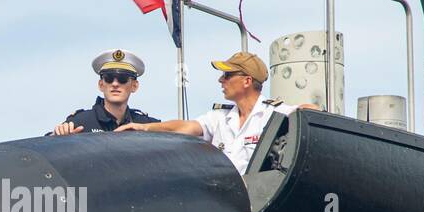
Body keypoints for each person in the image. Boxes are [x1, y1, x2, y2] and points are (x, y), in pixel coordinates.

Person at [115, 51, 317, 173]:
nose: (221, 80)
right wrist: (144, 127)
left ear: (247, 81)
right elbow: (186, 127)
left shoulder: (273, 114)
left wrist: (305, 111)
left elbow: (311, 114)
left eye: (227, 75)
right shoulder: (219, 118)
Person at [50, 49, 158, 135]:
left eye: (122, 78)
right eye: (109, 78)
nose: (115, 84)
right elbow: (46, 148)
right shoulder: (80, 122)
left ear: (134, 86)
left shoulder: (144, 123)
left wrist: (145, 127)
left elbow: (175, 129)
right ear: (101, 85)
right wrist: (57, 135)